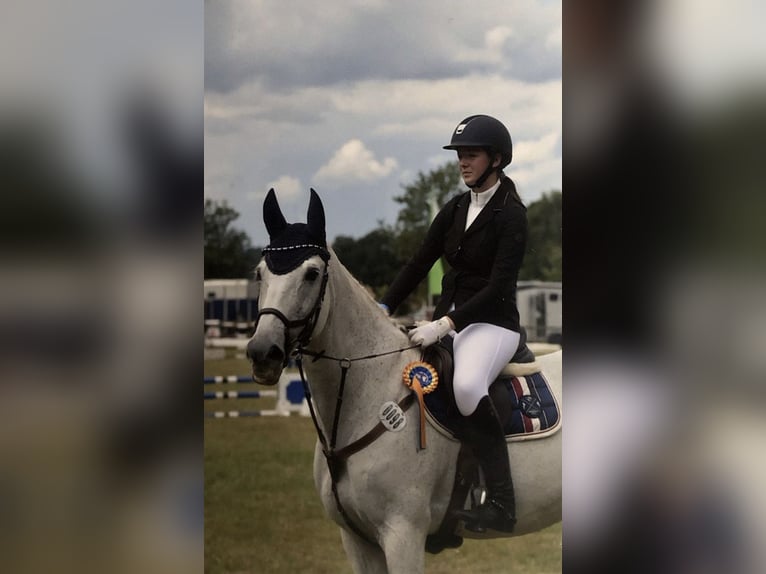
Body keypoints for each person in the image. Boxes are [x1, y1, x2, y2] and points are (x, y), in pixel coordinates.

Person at [380, 114, 527, 533]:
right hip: (451, 319)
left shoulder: (512, 214)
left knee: (465, 387)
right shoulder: (456, 207)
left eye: (471, 155)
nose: (463, 162)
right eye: (460, 155)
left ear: (496, 159)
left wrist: (444, 324)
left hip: (493, 324)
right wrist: (384, 305)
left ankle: (502, 501)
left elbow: (499, 287)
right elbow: (420, 261)